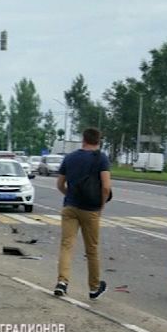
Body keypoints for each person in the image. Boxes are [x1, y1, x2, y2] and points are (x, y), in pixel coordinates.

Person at [54, 127, 111, 300]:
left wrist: (69, 195)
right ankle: (94, 288)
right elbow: (106, 187)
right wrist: (101, 206)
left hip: (70, 208)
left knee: (66, 246)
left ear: (83, 140)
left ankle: (62, 282)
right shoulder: (101, 158)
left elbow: (60, 184)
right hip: (91, 210)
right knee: (91, 249)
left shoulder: (70, 158)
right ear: (98, 141)